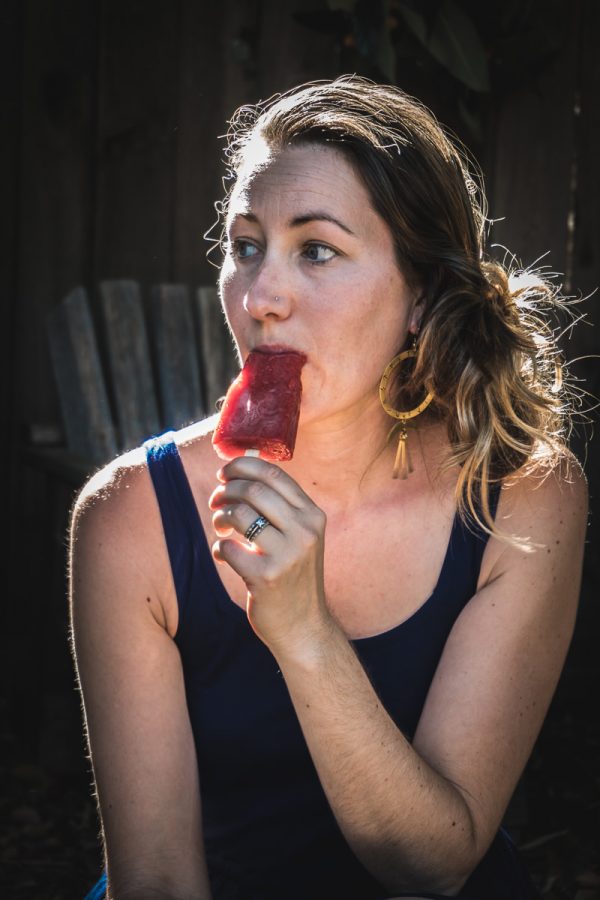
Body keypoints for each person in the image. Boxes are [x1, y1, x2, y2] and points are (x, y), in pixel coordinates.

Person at [71, 76, 588, 900]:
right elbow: (161, 881)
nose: (259, 299)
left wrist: (307, 635)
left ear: (420, 294)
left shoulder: (523, 499)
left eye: (316, 250)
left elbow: (436, 863)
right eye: (245, 246)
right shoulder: (130, 517)